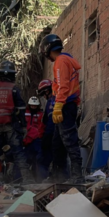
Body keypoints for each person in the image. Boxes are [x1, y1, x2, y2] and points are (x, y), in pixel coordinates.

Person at [0, 61, 36, 187]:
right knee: (18, 152)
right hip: (10, 125)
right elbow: (21, 108)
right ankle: (28, 180)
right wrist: (23, 125)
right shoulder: (13, 88)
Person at [39, 34, 83, 183]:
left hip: (65, 106)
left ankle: (77, 177)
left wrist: (58, 105)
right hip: (67, 105)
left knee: (70, 141)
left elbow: (63, 86)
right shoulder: (66, 60)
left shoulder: (60, 62)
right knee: (57, 144)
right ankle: (58, 177)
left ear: (47, 49)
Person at [36, 79, 62, 182]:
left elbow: (50, 122)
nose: (43, 97)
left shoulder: (52, 102)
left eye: (43, 94)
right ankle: (57, 178)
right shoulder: (56, 100)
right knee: (59, 160)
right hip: (57, 135)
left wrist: (46, 137)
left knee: (42, 159)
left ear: (47, 91)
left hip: (52, 135)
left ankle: (45, 180)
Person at [24, 96, 44, 182]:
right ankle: (24, 179)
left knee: (38, 160)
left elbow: (41, 126)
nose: (33, 107)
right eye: (32, 106)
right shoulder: (24, 113)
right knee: (26, 160)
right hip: (27, 140)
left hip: (37, 140)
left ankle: (38, 179)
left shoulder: (40, 114)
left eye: (35, 106)